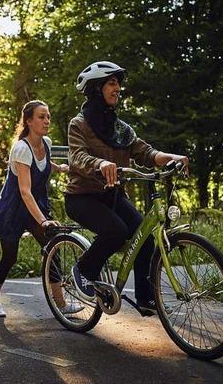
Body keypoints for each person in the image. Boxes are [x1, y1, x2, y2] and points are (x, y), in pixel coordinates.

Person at [65, 61, 189, 314]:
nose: (118, 88)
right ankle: (83, 270)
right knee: (118, 231)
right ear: (96, 88)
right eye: (112, 83)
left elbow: (146, 152)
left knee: (144, 238)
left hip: (113, 195)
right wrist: (100, 163)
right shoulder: (78, 125)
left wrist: (172, 157)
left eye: (118, 83)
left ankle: (145, 298)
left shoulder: (120, 128)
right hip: (83, 197)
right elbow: (76, 157)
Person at [0, 100, 83, 318]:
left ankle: (61, 304)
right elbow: (24, 191)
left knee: (53, 249)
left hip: (35, 207)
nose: (47, 121)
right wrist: (43, 221)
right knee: (9, 258)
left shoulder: (46, 143)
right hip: (13, 210)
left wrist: (59, 168)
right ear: (28, 121)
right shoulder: (21, 149)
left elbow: (43, 165)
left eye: (48, 116)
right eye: (41, 117)